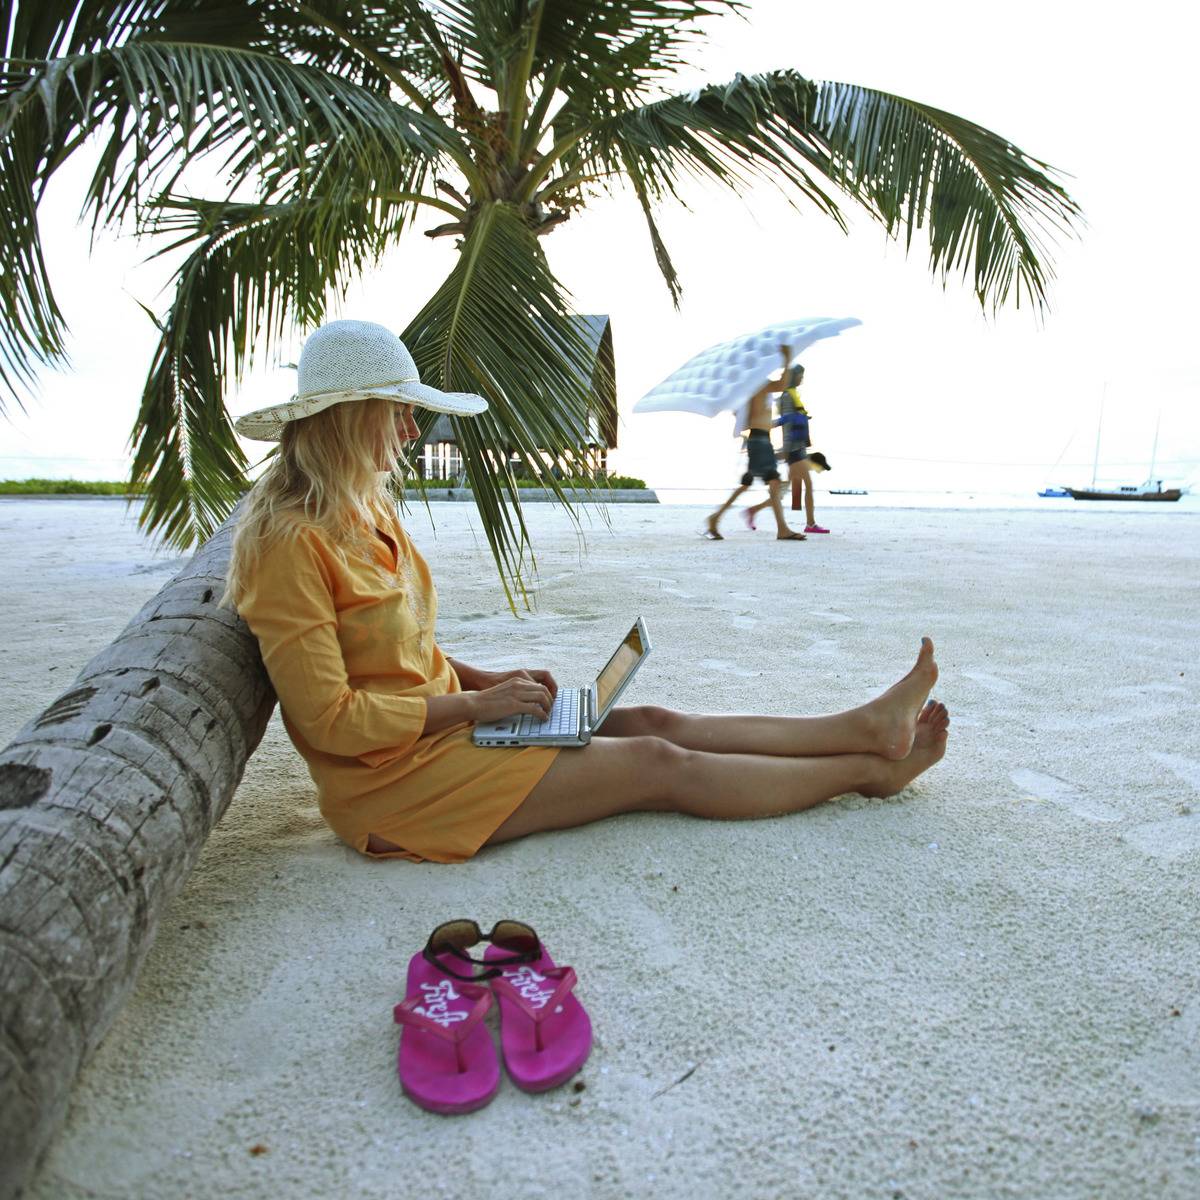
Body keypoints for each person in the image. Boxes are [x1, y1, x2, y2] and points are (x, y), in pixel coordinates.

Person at [225, 320, 950, 865]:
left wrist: (490, 682)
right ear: (353, 416)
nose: (414, 429)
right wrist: (476, 706)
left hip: (437, 731)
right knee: (657, 764)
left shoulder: (366, 509)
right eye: (400, 411)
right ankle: (867, 773)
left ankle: (859, 729)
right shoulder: (288, 543)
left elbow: (401, 654)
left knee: (651, 718)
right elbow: (330, 722)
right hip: (391, 787)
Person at [704, 344, 806, 541]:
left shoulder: (753, 385)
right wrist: (786, 360)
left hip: (759, 440)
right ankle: (782, 529)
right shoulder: (759, 383)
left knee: (749, 483)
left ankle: (715, 518)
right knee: (773, 482)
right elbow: (782, 385)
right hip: (759, 441)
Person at [744, 363, 829, 534]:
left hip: (799, 447)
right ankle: (810, 524)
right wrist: (787, 448)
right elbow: (787, 424)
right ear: (794, 376)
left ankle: (753, 510)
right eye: (800, 375)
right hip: (794, 449)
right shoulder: (787, 397)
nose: (802, 378)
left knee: (783, 490)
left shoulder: (792, 395)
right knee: (807, 484)